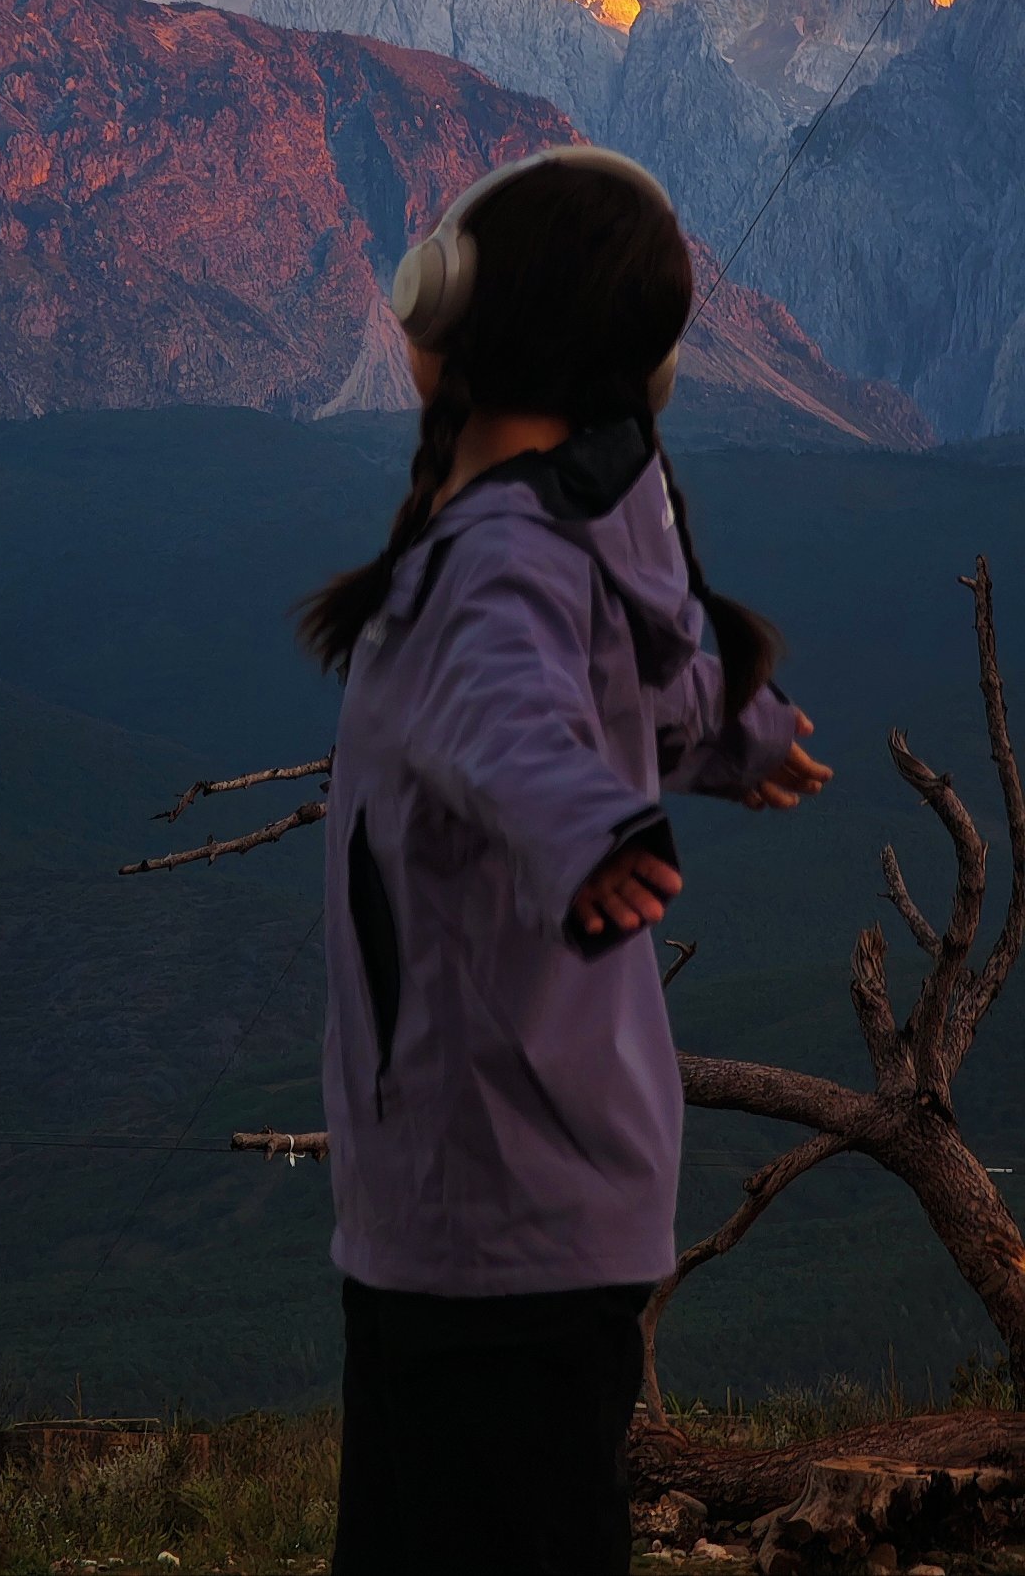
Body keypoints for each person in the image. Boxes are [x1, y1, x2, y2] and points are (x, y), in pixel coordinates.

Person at [301, 146, 831, 1576]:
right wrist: (746, 734)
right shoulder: (586, 522)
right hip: (521, 1184)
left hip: (487, 1192)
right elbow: (655, 681)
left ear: (458, 305)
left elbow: (509, 718)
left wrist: (589, 830)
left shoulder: (493, 559)